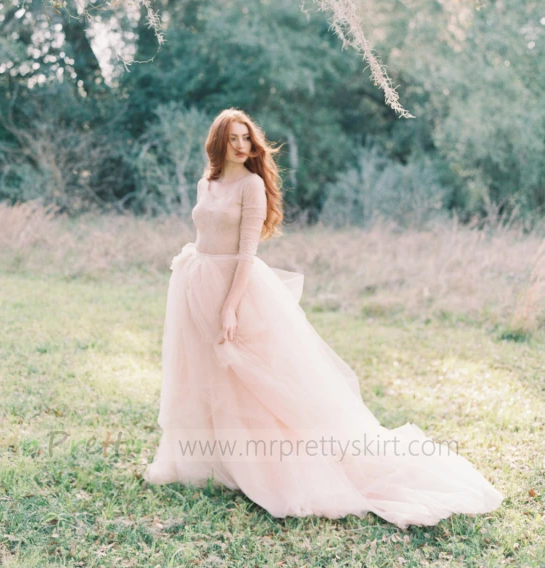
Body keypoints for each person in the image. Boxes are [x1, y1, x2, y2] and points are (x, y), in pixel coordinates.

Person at [143, 108, 504, 529]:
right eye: (234, 138)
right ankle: (221, 463)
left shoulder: (252, 185)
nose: (241, 146)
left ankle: (274, 468)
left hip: (237, 288)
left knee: (257, 380)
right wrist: (194, 275)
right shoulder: (207, 182)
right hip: (195, 281)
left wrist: (229, 306)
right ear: (218, 141)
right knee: (207, 376)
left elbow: (246, 252)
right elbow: (205, 233)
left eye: (247, 138)